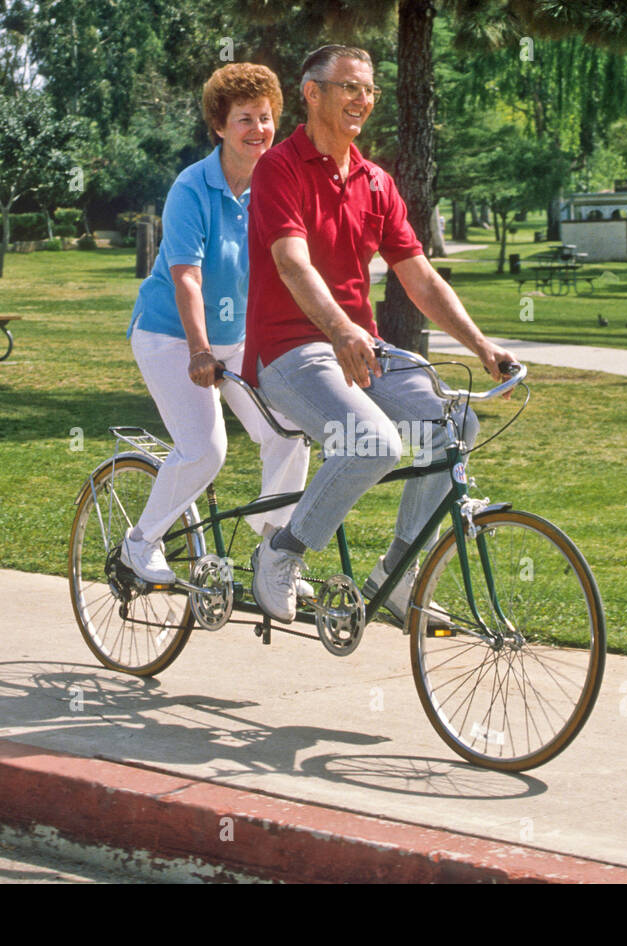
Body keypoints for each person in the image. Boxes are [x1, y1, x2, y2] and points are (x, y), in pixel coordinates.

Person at [242, 44, 517, 625]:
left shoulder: (375, 181)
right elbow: (292, 264)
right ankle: (281, 551)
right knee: (375, 443)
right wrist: (340, 329)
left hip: (360, 347)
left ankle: (395, 573)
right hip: (290, 351)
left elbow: (419, 277)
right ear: (311, 92)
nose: (361, 100)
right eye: (348, 87)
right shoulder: (279, 168)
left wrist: (481, 345)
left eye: (368, 89)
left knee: (454, 421)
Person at [121, 63, 310, 588]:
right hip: (171, 335)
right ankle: (141, 543)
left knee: (289, 431)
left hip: (238, 339)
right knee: (206, 448)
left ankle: (274, 550)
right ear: (220, 127)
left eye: (266, 118)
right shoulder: (192, 188)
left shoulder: (277, 187)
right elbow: (187, 279)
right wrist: (200, 351)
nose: (258, 129)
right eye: (245, 118)